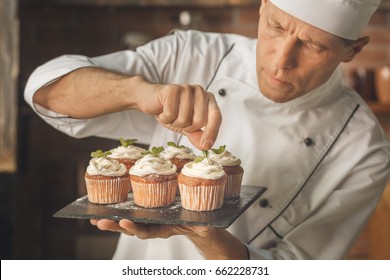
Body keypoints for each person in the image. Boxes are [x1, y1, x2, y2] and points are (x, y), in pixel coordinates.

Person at [24, 0, 390, 259]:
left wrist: (206, 236)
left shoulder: (363, 148)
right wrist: (138, 92)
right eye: (276, 27)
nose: (282, 61)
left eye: (313, 45)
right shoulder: (193, 54)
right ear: (262, 7)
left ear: (352, 50)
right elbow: (44, 90)